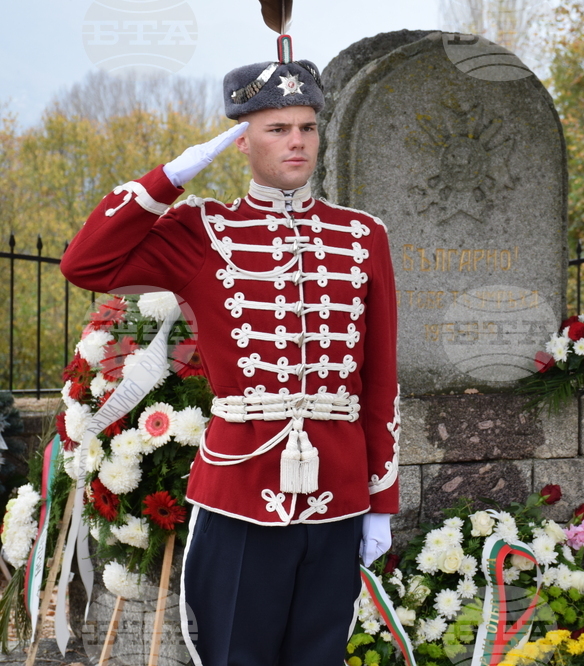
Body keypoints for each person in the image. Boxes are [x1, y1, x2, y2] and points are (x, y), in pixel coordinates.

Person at [61, 53, 399, 666]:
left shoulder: (361, 234)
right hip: (241, 487)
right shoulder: (203, 230)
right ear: (241, 141)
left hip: (339, 491)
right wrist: (169, 178)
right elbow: (86, 264)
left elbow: (379, 381)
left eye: (307, 127)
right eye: (277, 129)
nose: (297, 142)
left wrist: (382, 502)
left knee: (321, 656)